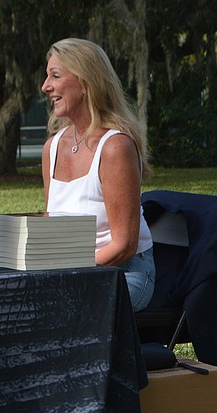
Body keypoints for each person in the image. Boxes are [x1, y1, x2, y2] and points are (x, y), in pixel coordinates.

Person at [41, 38, 155, 312]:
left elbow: (124, 245)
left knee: (58, 311)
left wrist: (67, 275)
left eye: (55, 76)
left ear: (85, 81)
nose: (46, 86)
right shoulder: (51, 148)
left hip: (124, 273)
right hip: (71, 272)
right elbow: (51, 226)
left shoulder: (116, 147)